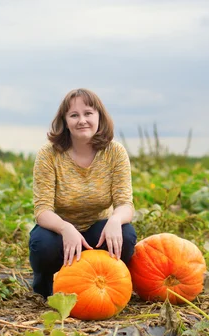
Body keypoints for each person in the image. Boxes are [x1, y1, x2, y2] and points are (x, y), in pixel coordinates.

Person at [29, 88, 137, 298]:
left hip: (98, 231)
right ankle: (46, 288)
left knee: (126, 234)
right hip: (59, 231)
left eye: (88, 113)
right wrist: (65, 228)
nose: (82, 120)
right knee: (43, 244)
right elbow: (42, 210)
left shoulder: (115, 152)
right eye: (74, 115)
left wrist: (115, 219)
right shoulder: (48, 154)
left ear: (99, 117)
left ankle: (112, 285)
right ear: (65, 121)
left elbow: (125, 203)